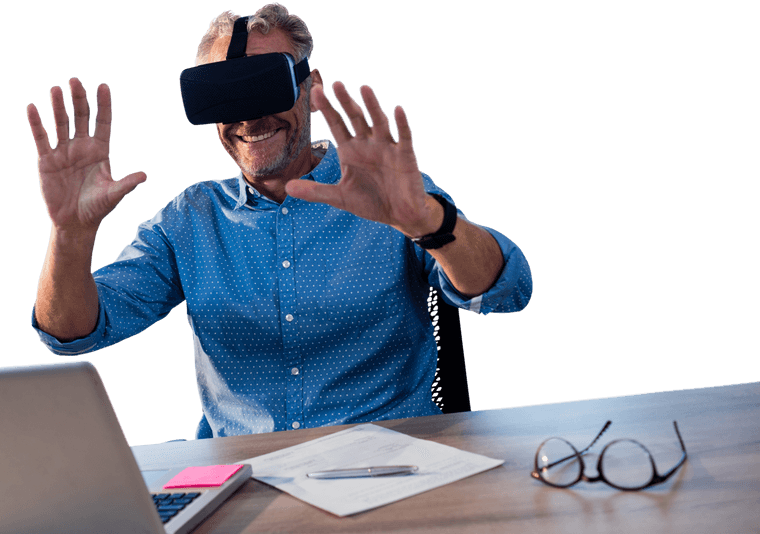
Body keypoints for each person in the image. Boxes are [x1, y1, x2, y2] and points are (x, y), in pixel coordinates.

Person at [26, 4, 532, 438]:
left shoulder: (384, 192)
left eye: (264, 87)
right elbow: (71, 332)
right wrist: (70, 234)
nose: (249, 118)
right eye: (227, 96)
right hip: (244, 483)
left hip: (391, 466)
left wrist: (429, 222)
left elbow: (507, 290)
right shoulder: (190, 221)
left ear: (309, 84)